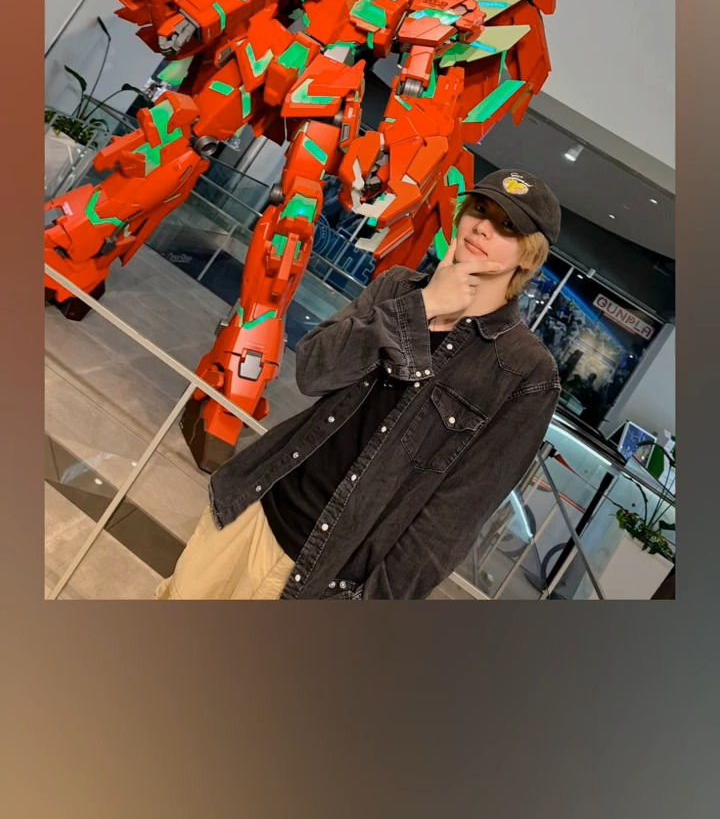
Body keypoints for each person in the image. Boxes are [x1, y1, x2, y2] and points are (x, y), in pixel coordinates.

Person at [154, 168, 563, 601]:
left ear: (529, 256)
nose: (482, 227)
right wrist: (423, 306)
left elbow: (449, 523)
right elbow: (314, 369)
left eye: (507, 225)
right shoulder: (398, 288)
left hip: (317, 579)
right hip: (254, 507)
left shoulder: (526, 373)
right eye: (480, 209)